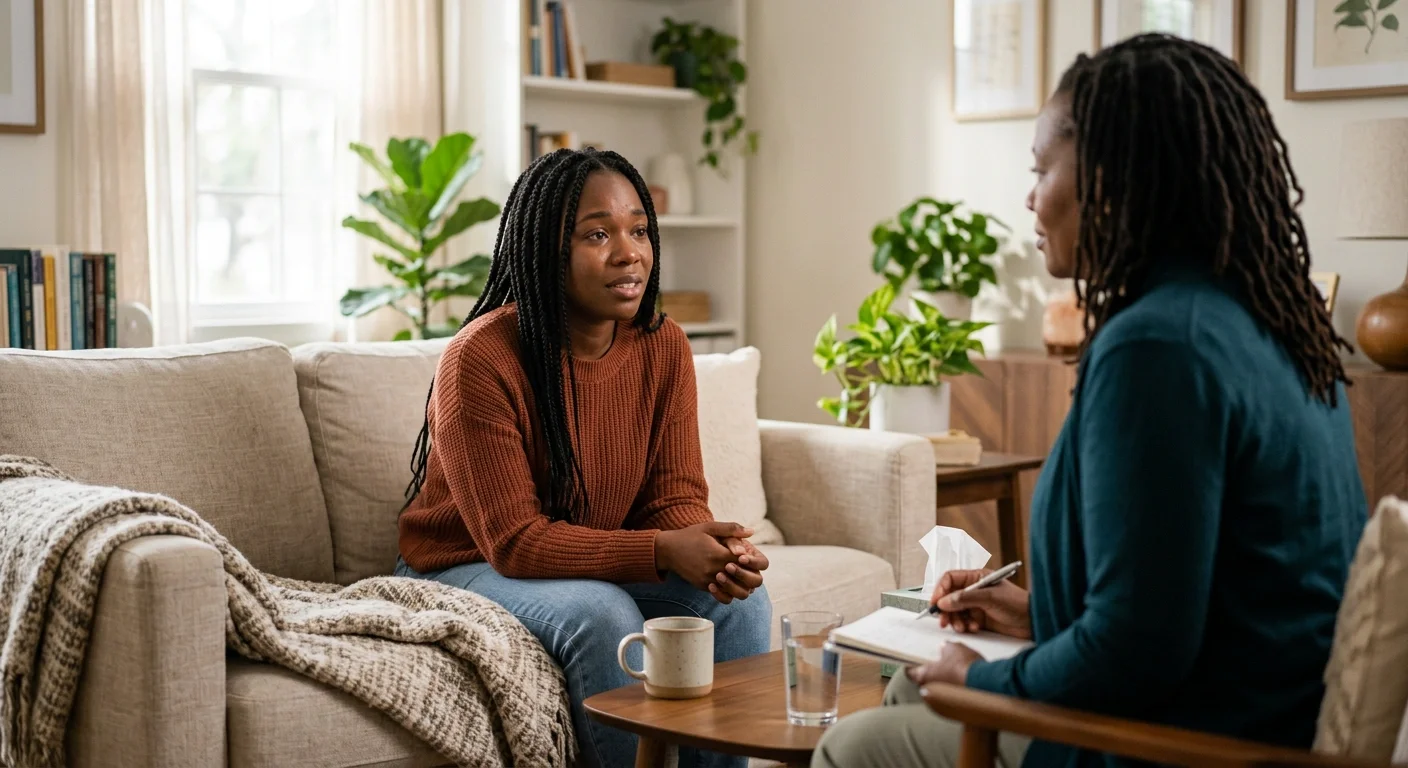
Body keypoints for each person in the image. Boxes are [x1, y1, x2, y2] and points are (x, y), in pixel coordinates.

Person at [814, 34, 1368, 768]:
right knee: (910, 693)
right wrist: (1039, 616)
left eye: (1042, 168)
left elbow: (1139, 652)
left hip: (1186, 742)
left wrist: (986, 676)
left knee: (853, 746)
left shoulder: (1157, 349)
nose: (1029, 196)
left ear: (1107, 179)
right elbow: (1204, 596)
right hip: (1252, 712)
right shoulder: (1267, 320)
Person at [394, 147, 771, 768]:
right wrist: (658, 551)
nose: (629, 253)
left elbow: (672, 498)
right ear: (547, 249)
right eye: (598, 233)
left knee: (739, 601)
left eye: (639, 230)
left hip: (575, 555)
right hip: (460, 564)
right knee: (601, 613)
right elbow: (514, 541)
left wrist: (710, 547)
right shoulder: (480, 358)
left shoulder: (663, 344)